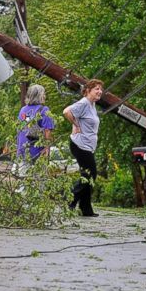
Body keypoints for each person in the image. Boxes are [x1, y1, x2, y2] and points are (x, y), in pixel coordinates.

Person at [62, 79, 103, 217]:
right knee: (90, 175)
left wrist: (77, 123)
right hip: (80, 145)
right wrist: (76, 125)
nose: (100, 92)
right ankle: (69, 201)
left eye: (101, 89)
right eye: (96, 89)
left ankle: (86, 209)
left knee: (88, 176)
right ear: (88, 90)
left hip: (87, 146)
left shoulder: (92, 105)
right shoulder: (84, 102)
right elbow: (67, 111)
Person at [17, 84, 56, 161]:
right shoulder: (44, 110)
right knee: (38, 173)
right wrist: (47, 148)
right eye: (44, 94)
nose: (45, 96)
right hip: (37, 152)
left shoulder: (23, 110)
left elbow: (20, 128)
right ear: (40, 96)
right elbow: (47, 131)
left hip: (22, 151)